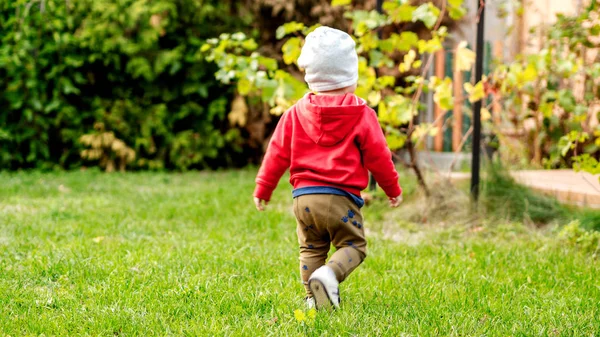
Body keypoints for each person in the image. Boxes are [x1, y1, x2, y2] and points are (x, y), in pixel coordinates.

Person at [252, 26, 402, 310]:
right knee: (354, 247)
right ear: (351, 76)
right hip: (340, 199)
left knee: (310, 249)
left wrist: (263, 188)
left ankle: (313, 298)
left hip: (303, 199)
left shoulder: (294, 113)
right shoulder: (361, 114)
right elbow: (379, 156)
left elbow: (276, 154)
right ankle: (329, 275)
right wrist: (392, 188)